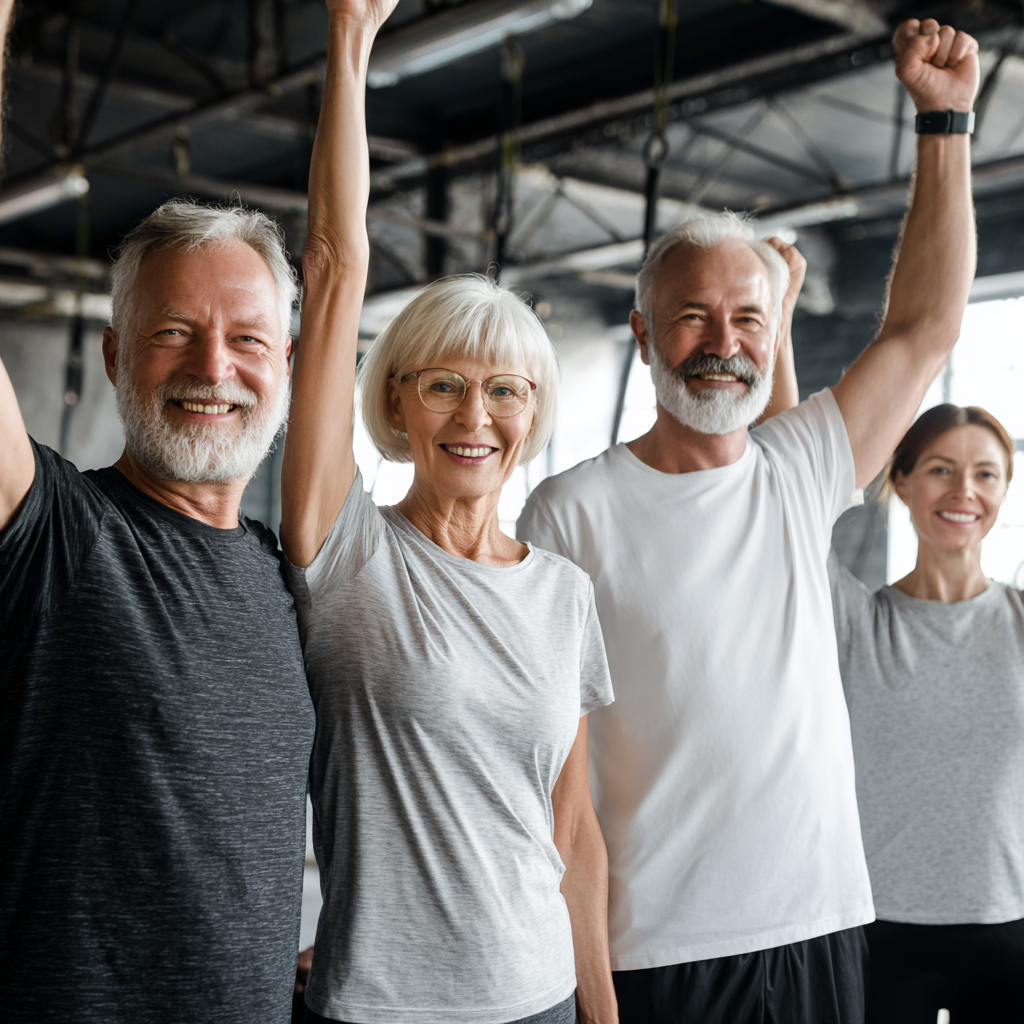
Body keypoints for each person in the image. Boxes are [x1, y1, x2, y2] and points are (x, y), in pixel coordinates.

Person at [516, 18, 980, 1024]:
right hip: (659, 952)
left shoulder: (799, 466)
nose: (719, 342)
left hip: (818, 926)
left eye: (746, 320)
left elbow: (925, 325)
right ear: (642, 335)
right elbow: (555, 788)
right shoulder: (568, 511)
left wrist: (943, 123)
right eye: (691, 317)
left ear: (771, 340)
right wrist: (591, 996)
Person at [279, 2, 617, 1023]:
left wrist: (600, 1014)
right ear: (394, 401)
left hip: (544, 996)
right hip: (379, 1006)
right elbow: (336, 271)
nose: (476, 415)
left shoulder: (562, 592)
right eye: (443, 386)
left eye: (505, 391)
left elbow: (572, 834)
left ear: (533, 412)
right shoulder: (346, 550)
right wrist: (348, 46)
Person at [0, 11, 314, 1016]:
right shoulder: (56, 539)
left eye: (247, 340)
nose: (213, 368)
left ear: (290, 369)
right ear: (112, 357)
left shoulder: (281, 570)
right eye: (174, 332)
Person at [823, 406, 1024, 1023]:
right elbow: (789, 501)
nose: (965, 490)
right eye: (942, 469)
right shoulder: (856, 621)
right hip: (882, 930)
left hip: (1011, 930)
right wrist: (776, 328)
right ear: (901, 481)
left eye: (986, 475)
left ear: (1004, 490)